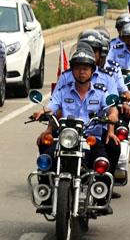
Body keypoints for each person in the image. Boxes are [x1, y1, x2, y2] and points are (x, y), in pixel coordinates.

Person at [32, 45, 119, 211]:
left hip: (90, 139)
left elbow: (112, 108)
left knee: (103, 163)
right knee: (46, 159)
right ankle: (47, 194)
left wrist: (113, 116)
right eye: (78, 68)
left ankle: (102, 196)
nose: (81, 72)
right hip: (66, 138)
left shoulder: (101, 92)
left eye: (85, 68)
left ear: (92, 71)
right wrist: (42, 112)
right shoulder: (63, 91)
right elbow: (52, 106)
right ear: (72, 70)